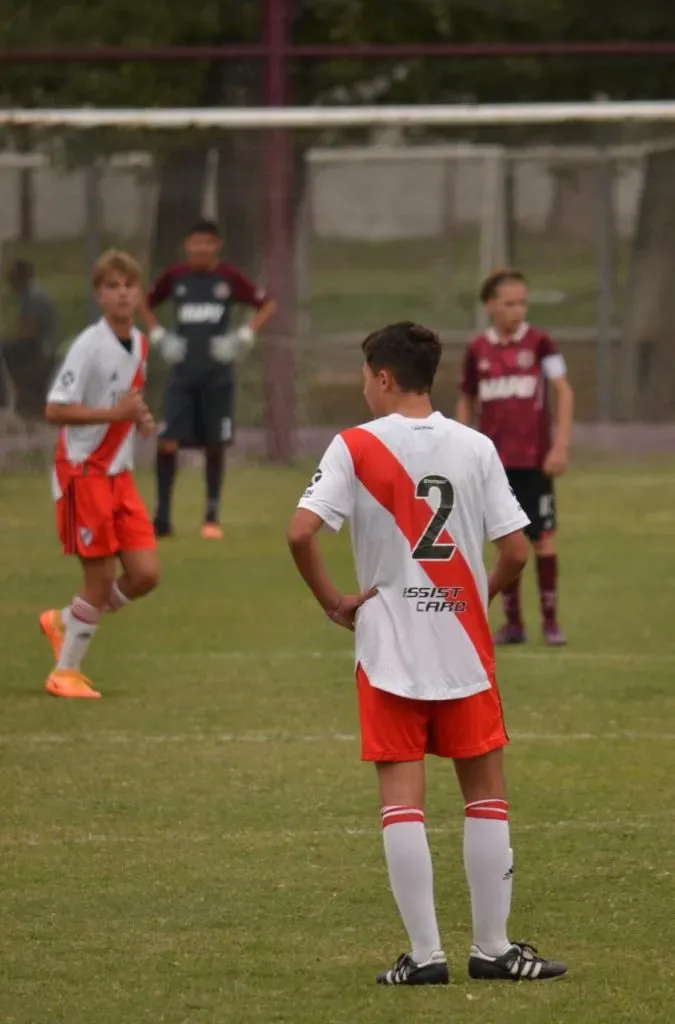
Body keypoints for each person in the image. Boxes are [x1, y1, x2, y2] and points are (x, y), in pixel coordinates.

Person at [287, 321, 567, 986]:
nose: (363, 387)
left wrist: (334, 601)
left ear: (383, 378)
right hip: (462, 647)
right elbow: (517, 550)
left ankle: (426, 956)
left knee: (401, 802)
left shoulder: (354, 446)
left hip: (387, 648)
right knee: (485, 798)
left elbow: (300, 532)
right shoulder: (474, 446)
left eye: (364, 376)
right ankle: (493, 949)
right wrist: (479, 596)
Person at [40, 250, 159, 700]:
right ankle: (64, 672)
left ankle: (66, 622)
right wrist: (115, 413)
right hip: (82, 473)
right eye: (112, 286)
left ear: (139, 292)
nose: (123, 293)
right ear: (99, 295)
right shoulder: (89, 345)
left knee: (145, 574)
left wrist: (140, 417)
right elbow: (54, 409)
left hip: (118, 475)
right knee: (99, 578)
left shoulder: (141, 345)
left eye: (129, 285)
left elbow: (126, 400)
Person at [456, 270, 574, 646]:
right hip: (495, 464)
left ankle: (551, 621)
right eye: (509, 303)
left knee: (543, 539)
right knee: (507, 542)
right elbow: (467, 401)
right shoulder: (477, 350)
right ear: (490, 305)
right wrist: (459, 445)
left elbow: (563, 393)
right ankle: (514, 623)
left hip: (535, 460)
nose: (517, 310)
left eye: (522, 302)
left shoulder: (540, 343)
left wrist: (560, 445)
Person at [141, 219, 275, 540]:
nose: (200, 248)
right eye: (194, 242)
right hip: (182, 376)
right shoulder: (175, 277)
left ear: (217, 245)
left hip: (217, 377)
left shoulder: (227, 279)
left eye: (207, 242)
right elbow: (143, 303)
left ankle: (211, 517)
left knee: (214, 445)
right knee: (168, 441)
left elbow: (267, 304)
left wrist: (244, 336)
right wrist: (159, 335)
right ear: (187, 245)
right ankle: (161, 518)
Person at [2, 259, 60, 418]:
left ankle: (4, 400)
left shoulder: (33, 296)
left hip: (42, 347)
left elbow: (29, 331)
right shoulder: (29, 294)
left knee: (4, 349)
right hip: (40, 343)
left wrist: (9, 338)